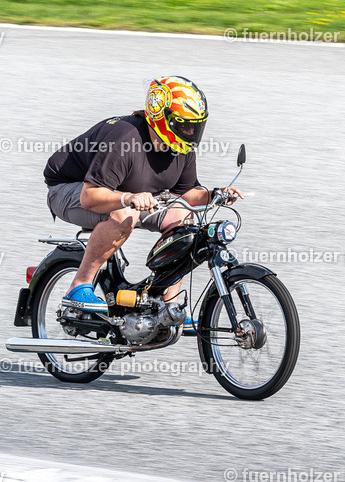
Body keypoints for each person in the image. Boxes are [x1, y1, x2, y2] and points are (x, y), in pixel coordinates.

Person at [43, 76, 241, 321]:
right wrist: (127, 198)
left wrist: (215, 194)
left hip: (129, 197)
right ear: (161, 117)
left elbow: (187, 192)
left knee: (185, 217)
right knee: (126, 213)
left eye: (195, 127)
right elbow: (89, 196)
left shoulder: (181, 146)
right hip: (69, 190)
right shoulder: (124, 139)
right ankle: (79, 286)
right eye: (184, 125)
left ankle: (169, 305)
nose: (190, 133)